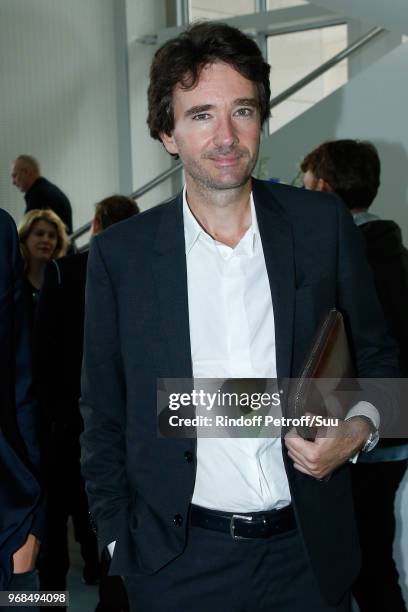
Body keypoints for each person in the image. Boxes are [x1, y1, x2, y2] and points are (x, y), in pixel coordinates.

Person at [80, 23, 398, 612]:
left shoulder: (319, 226)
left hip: (307, 556)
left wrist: (356, 432)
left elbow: (381, 361)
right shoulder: (120, 256)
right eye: (201, 115)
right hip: (177, 563)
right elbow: (103, 413)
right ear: (167, 132)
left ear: (261, 118)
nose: (225, 136)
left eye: (242, 111)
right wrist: (117, 542)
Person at [301, 139, 408, 612]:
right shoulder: (398, 253)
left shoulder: (336, 260)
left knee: (354, 569)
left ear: (323, 189)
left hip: (349, 439)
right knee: (383, 567)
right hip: (396, 434)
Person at [34, 195, 138, 609]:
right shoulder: (141, 273)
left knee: (62, 516)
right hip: (109, 418)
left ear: (94, 223)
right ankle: (98, 590)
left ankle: (51, 600)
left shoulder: (63, 273)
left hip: (71, 419)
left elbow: (43, 354)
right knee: (97, 513)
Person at [0, 209, 43, 609]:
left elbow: (21, 386)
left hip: (8, 531)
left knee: (37, 601)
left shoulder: (0, 232)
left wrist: (35, 523)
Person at [18, 209, 69, 328]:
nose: (46, 240)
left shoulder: (63, 283)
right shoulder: (14, 283)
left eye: (52, 236)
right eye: (39, 234)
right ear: (24, 238)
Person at [11, 155, 73, 233]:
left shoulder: (38, 194)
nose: (13, 182)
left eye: (14, 176)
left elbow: (25, 232)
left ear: (26, 172)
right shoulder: (47, 189)